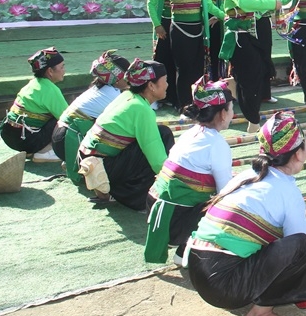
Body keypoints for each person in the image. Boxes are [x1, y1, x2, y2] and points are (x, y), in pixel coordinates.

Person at [186, 112, 306, 316]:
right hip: (224, 286)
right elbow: (300, 247)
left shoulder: (245, 176)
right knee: (301, 247)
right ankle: (260, 315)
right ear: (299, 153)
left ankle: (257, 302)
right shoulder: (287, 192)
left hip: (198, 270)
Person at [145, 76, 235, 266]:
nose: (233, 113)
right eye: (231, 108)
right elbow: (224, 192)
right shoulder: (217, 145)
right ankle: (190, 249)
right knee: (232, 205)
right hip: (176, 217)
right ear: (222, 114)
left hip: (154, 204)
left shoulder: (191, 133)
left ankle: (184, 248)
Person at [77, 59, 175, 210]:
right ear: (151, 86)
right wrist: (177, 183)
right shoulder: (141, 109)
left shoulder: (126, 96)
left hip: (87, 158)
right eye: (165, 81)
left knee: (160, 133)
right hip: (103, 166)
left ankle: (117, 190)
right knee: (163, 136)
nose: (168, 85)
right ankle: (136, 198)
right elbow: (157, 161)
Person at [220, 0, 282, 133]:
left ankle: (248, 113)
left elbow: (258, 3)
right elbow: (247, 5)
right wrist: (273, 3)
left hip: (246, 38)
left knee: (257, 72)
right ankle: (252, 119)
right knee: (250, 78)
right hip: (238, 39)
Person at [159, 0, 226, 110]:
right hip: (181, 31)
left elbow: (209, 5)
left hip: (198, 31)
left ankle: (198, 103)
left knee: (197, 69)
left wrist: (225, 16)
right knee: (184, 70)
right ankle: (184, 105)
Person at [52, 50, 131, 184]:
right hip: (68, 140)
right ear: (117, 78)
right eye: (127, 75)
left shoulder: (101, 89)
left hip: (59, 138)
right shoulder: (112, 96)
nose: (130, 79)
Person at [0, 47, 68, 162]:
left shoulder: (32, 84)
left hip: (8, 134)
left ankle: (33, 151)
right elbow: (68, 118)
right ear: (50, 71)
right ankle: (44, 152)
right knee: (66, 122)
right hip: (26, 140)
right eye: (62, 67)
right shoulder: (50, 89)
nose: (64, 70)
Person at [242, 0, 278, 104]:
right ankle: (248, 94)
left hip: (262, 20)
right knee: (250, 58)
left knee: (265, 55)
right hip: (247, 22)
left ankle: (265, 93)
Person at [148, 0, 181, 108]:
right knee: (162, 61)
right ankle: (157, 97)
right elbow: (151, 4)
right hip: (164, 25)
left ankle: (176, 98)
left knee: (179, 62)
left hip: (182, 25)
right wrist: (158, 25)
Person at [200, 0, 225, 80]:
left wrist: (217, 17)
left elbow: (221, 2)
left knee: (216, 49)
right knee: (204, 51)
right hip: (202, 18)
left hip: (215, 19)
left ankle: (215, 78)